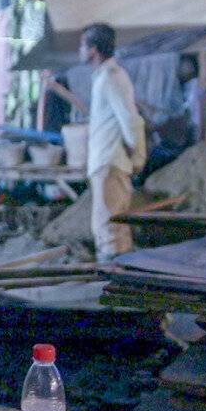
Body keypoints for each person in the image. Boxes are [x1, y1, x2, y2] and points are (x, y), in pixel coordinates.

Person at [80, 23, 145, 262]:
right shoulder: (104, 78)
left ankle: (113, 275)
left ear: (93, 50)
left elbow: (131, 120)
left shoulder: (112, 77)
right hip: (106, 161)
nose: (79, 50)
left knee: (110, 228)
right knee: (109, 226)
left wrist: (138, 156)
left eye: (82, 45)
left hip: (110, 161)